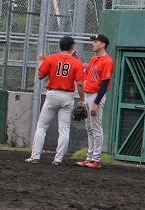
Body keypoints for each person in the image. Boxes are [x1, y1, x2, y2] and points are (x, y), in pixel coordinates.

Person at [26, 35, 86, 165]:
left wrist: (41, 60)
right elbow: (80, 84)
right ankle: (58, 159)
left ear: (60, 46)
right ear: (72, 47)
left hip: (52, 94)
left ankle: (35, 156)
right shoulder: (77, 62)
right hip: (67, 96)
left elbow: (40, 75)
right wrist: (82, 99)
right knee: (64, 129)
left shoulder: (52, 58)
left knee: (42, 126)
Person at [76, 34, 113, 169]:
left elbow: (104, 84)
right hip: (88, 94)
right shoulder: (94, 59)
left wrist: (96, 103)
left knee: (96, 128)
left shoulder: (107, 61)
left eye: (96, 42)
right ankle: (90, 157)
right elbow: (84, 72)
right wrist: (76, 60)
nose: (93, 44)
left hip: (97, 96)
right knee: (89, 128)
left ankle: (96, 159)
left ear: (103, 44)